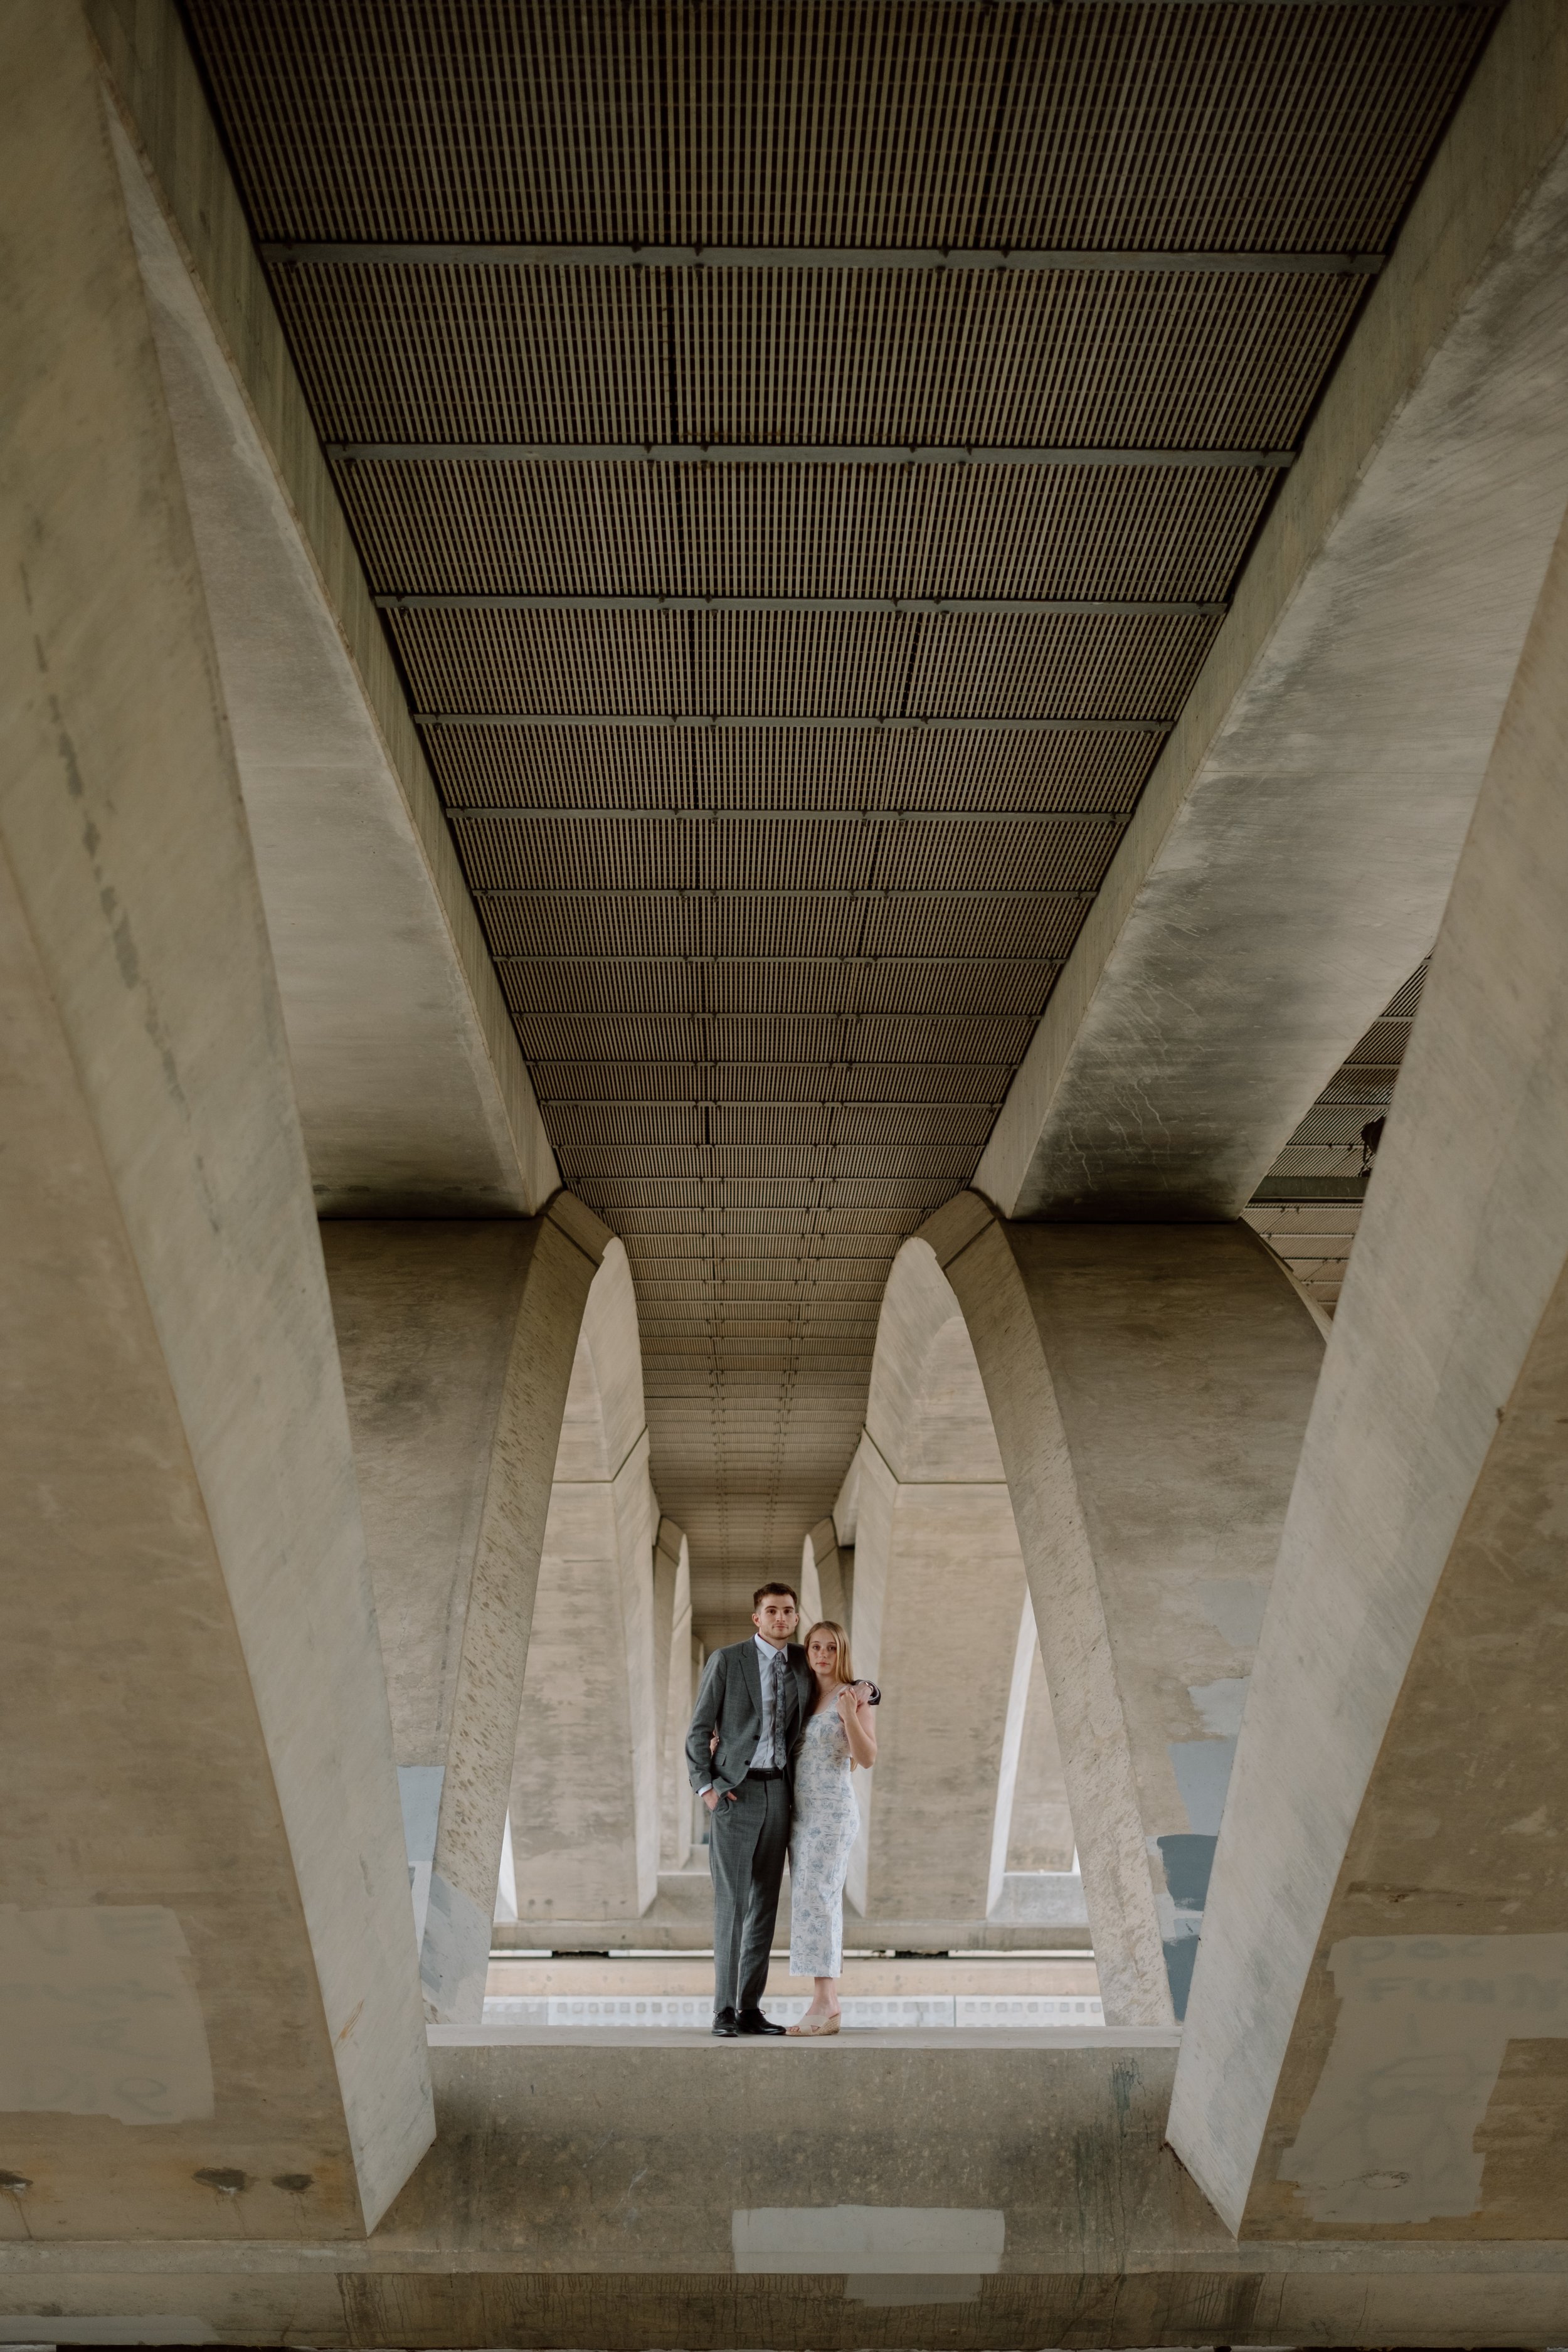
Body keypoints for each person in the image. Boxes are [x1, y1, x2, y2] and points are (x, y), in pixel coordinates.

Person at [685, 1581, 815, 2038]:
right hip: (734, 1795)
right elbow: (699, 1728)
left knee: (765, 1906)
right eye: (772, 1612)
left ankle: (749, 2009)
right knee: (732, 1904)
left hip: (779, 1793)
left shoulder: (802, 1661)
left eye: (788, 1612)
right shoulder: (727, 1660)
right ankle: (722, 2010)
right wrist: (707, 1789)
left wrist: (869, 1691)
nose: (781, 1619)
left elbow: (843, 1676)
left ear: (796, 1617)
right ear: (756, 1618)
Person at [784, 1621, 877, 2035]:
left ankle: (826, 2002)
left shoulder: (853, 1694)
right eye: (816, 1647)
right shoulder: (804, 1695)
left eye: (831, 1648)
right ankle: (827, 2000)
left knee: (819, 1897)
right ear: (807, 1653)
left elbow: (868, 1757)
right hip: (800, 1815)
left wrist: (849, 1715)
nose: (823, 1655)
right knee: (809, 1899)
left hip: (832, 1813)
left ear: (842, 1652)